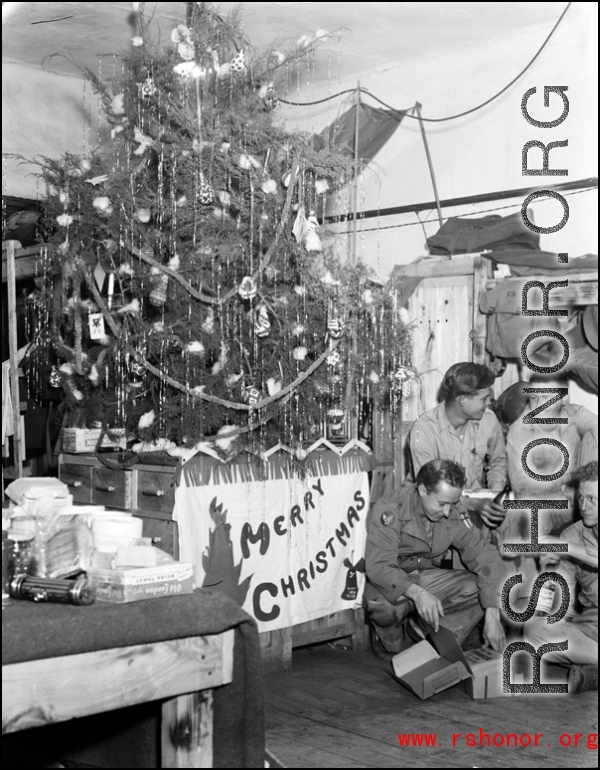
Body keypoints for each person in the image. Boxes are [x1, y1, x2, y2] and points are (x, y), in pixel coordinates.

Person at [365, 458, 506, 654]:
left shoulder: (452, 510)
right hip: (392, 578)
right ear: (422, 491)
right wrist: (418, 594)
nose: (448, 512)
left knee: (480, 587)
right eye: (442, 504)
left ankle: (434, 636)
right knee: (384, 608)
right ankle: (387, 635)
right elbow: (380, 566)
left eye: (453, 503)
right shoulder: (390, 509)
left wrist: (493, 614)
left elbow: (486, 556)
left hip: (427, 575)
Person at [524, 461, 598, 693]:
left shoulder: (566, 543)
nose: (585, 506)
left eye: (593, 499)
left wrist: (565, 547)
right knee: (535, 632)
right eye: (581, 498)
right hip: (592, 627)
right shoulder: (571, 535)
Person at [407, 362, 508, 529]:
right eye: (484, 398)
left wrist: (495, 496)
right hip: (439, 508)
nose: (489, 403)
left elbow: (498, 461)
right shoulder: (423, 430)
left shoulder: (489, 420)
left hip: (479, 504)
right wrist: (473, 505)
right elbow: (432, 489)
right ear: (463, 400)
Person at [505, 373, 597, 536]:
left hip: (580, 496)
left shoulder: (574, 414)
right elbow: (523, 488)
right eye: (534, 397)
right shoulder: (518, 433)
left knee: (593, 435)